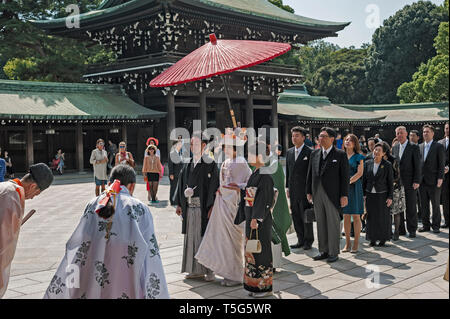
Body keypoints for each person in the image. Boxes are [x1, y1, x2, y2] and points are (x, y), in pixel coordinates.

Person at [43, 165, 169, 299]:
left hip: (94, 265)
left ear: (109, 183)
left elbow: (80, 240)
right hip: (127, 270)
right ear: (131, 186)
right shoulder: (139, 208)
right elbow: (150, 250)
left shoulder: (93, 204)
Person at [195, 137, 251, 286]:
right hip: (223, 201)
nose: (224, 149)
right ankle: (227, 272)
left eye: (227, 147)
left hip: (233, 203)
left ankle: (236, 274)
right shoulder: (226, 162)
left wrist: (231, 188)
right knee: (222, 239)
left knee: (233, 240)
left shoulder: (240, 161)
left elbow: (241, 185)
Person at [0, 163, 53, 298]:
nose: (34, 197)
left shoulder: (5, 187)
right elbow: (3, 244)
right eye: (37, 193)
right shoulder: (12, 196)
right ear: (33, 186)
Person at [174, 133, 219, 281]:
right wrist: (179, 203)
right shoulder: (186, 163)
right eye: (192, 144)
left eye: (196, 144)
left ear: (204, 146)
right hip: (189, 206)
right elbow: (180, 184)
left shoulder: (210, 163)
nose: (193, 147)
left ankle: (209, 270)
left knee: (204, 238)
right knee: (191, 238)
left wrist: (211, 205)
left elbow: (214, 186)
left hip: (202, 206)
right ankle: (193, 269)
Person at [236, 141, 275, 298]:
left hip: (260, 219)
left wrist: (257, 218)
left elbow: (264, 199)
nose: (248, 157)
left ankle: (264, 287)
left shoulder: (265, 175)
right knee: (251, 252)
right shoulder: (256, 173)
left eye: (250, 154)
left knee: (261, 251)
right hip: (252, 214)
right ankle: (253, 285)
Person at [307, 127, 349, 263]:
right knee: (320, 223)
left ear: (332, 139)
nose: (321, 139)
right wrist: (309, 191)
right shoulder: (315, 154)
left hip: (333, 193)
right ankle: (323, 250)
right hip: (317, 191)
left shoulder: (340, 155)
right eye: (319, 136)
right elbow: (310, 174)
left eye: (324, 136)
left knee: (332, 223)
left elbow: (344, 177)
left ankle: (333, 252)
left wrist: (344, 195)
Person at [286, 126, 314, 250]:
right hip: (293, 189)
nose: (294, 138)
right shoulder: (289, 152)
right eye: (293, 136)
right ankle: (300, 239)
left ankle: (308, 240)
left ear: (303, 137)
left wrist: (310, 191)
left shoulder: (310, 152)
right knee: (296, 215)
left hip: (305, 190)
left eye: (297, 136)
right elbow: (288, 171)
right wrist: (287, 187)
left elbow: (312, 173)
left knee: (305, 215)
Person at [391, 126, 421, 238]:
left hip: (410, 181)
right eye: (398, 133)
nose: (399, 135)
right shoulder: (395, 147)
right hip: (398, 182)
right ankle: (401, 229)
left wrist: (417, 180)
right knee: (399, 207)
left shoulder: (413, 147)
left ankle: (412, 229)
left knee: (411, 206)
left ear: (406, 134)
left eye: (401, 133)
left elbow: (418, 165)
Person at [363, 142, 394, 247]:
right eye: (375, 150)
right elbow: (364, 180)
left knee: (382, 217)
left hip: (382, 194)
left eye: (379, 150)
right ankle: (372, 238)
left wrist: (390, 197)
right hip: (369, 194)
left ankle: (382, 239)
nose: (376, 152)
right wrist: (363, 194)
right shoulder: (367, 163)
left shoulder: (387, 165)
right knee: (371, 217)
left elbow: (390, 182)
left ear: (384, 153)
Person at [418, 124, 445, 234]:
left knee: (435, 205)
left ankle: (436, 226)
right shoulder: (419, 146)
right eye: (424, 132)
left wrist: (440, 178)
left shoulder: (438, 146)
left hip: (434, 180)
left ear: (432, 133)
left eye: (427, 131)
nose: (425, 133)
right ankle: (425, 225)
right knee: (423, 205)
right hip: (422, 181)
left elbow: (441, 164)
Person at [342, 134, 365, 253]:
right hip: (343, 189)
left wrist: (349, 181)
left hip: (354, 187)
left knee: (356, 215)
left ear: (355, 143)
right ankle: (347, 243)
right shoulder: (340, 155)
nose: (348, 142)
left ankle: (356, 242)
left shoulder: (359, 157)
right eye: (346, 140)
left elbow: (360, 173)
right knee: (345, 215)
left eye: (350, 140)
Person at [384, 141, 405, 241]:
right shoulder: (376, 159)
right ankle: (388, 232)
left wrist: (389, 183)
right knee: (387, 212)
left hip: (395, 188)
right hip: (383, 189)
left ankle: (396, 232)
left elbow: (397, 175)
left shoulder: (393, 159)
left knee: (396, 212)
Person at [439, 122, 449, 228]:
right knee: (445, 199)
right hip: (443, 176)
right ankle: (446, 220)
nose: (447, 130)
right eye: (446, 128)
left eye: (449, 128)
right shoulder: (440, 143)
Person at [168, 141, 183, 206]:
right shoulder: (172, 153)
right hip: (174, 174)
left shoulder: (180, 153)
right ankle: (172, 201)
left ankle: (177, 200)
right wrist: (171, 173)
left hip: (179, 174)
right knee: (173, 187)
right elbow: (170, 164)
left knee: (178, 187)